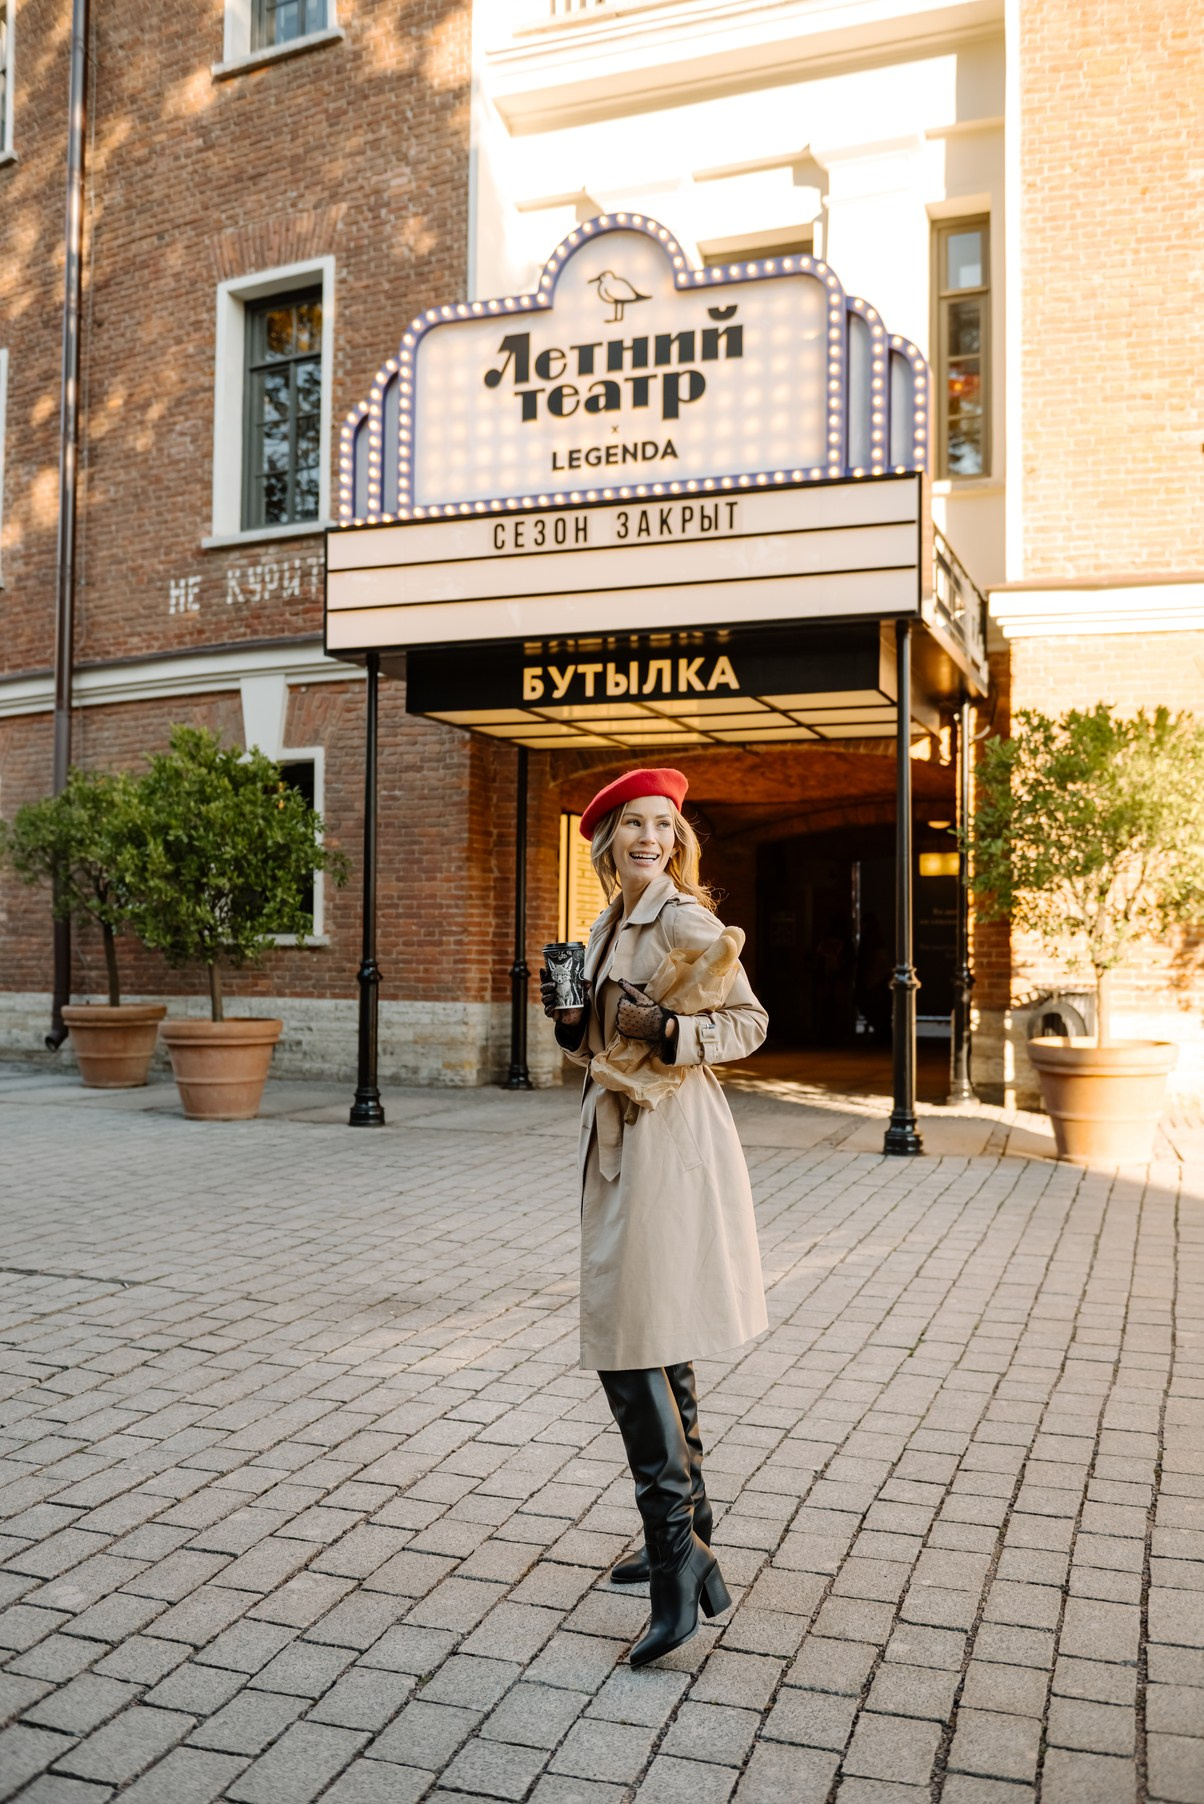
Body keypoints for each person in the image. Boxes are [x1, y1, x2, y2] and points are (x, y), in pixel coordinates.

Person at [541, 768, 768, 1668]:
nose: (649, 838)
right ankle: (691, 1530)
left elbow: (749, 1022)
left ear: (678, 841)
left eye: (663, 825)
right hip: (620, 1140)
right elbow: (601, 1041)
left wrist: (672, 1032)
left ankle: (678, 1563)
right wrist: (574, 1024)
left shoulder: (680, 918)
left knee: (629, 1341)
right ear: (607, 841)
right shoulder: (607, 922)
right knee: (654, 1333)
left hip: (669, 1143)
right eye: (634, 824)